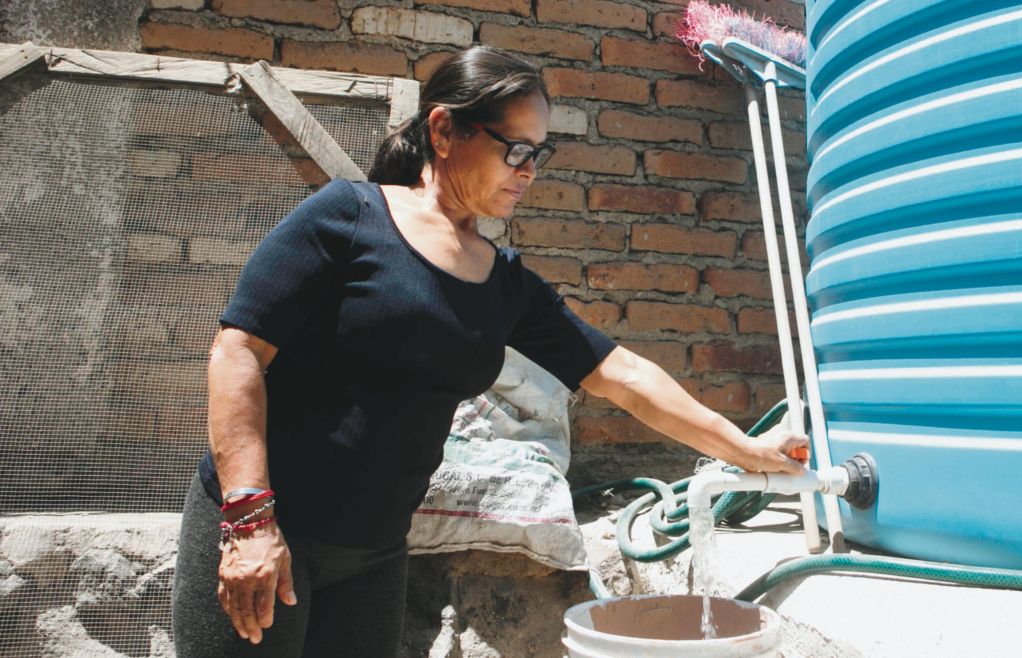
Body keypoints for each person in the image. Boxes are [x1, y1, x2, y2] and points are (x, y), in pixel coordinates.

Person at [170, 45, 807, 656]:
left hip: (374, 554)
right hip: (268, 532)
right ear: (444, 131)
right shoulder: (348, 217)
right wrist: (249, 519)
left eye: (539, 152)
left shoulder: (505, 284)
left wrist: (747, 450)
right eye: (515, 149)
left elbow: (624, 375)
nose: (529, 170)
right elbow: (238, 352)